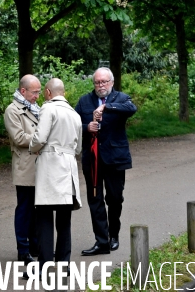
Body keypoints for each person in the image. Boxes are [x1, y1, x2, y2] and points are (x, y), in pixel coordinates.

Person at [75, 67, 137, 256]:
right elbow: (73, 124)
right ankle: (101, 242)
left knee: (115, 199)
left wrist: (106, 107)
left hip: (115, 158)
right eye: (97, 82)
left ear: (111, 82)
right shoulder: (84, 101)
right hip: (92, 159)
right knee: (95, 200)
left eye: (104, 82)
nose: (100, 85)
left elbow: (131, 109)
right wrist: (87, 127)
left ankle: (113, 235)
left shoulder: (120, 98)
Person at [29, 78, 83, 272]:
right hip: (68, 168)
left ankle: (44, 264)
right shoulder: (75, 114)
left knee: (43, 217)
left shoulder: (48, 109)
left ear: (48, 92)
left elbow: (40, 137)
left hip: (51, 167)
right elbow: (78, 149)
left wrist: (32, 148)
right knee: (64, 219)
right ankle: (63, 263)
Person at [4, 74, 41, 264]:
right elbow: (19, 138)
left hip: (39, 166)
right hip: (25, 167)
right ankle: (23, 250)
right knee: (25, 209)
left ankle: (35, 246)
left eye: (39, 92)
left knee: (37, 210)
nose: (37, 96)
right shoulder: (12, 111)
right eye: (35, 92)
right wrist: (41, 136)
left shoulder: (35, 108)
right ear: (23, 91)